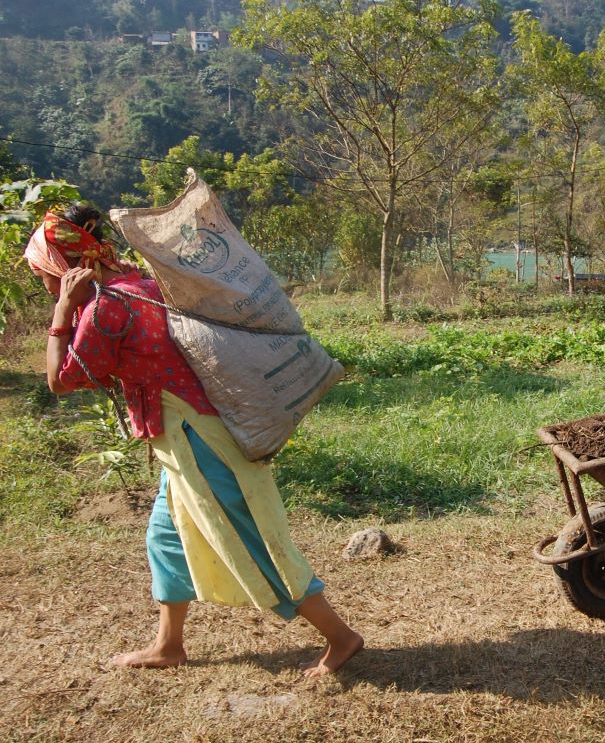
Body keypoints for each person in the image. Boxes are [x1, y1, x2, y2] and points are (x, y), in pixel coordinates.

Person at [24, 204, 363, 675]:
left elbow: (61, 381)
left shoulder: (107, 306)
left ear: (65, 268)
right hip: (189, 436)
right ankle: (168, 645)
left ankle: (340, 637)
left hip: (198, 439)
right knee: (166, 537)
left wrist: (62, 311)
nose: (42, 284)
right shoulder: (141, 283)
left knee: (252, 539)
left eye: (43, 273)